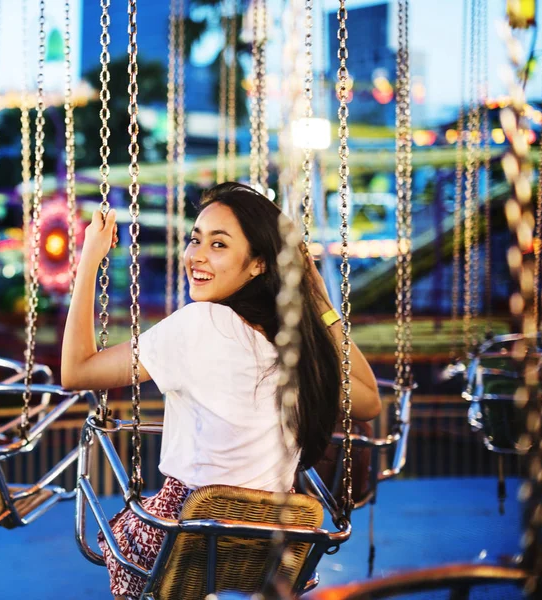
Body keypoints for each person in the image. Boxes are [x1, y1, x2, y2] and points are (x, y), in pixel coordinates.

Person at [62, 182, 381, 600]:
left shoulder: (200, 324)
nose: (197, 255)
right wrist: (317, 296)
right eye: (196, 240)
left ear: (257, 265)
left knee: (121, 529)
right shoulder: (294, 346)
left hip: (183, 538)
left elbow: (77, 370)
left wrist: (90, 259)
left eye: (218, 245)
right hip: (271, 548)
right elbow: (371, 400)